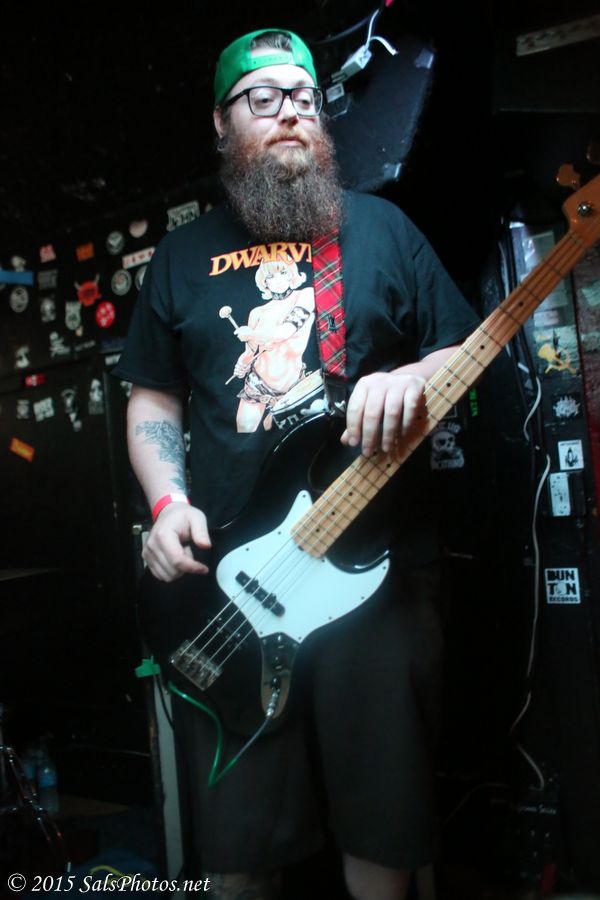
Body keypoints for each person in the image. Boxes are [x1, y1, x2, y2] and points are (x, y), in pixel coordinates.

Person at [113, 27, 481, 900]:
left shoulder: (383, 229)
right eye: (264, 98)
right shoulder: (181, 258)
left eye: (304, 98)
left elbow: (465, 353)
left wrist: (413, 379)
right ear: (222, 121)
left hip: (376, 572)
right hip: (238, 581)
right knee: (241, 845)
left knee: (384, 827)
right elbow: (153, 399)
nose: (290, 114)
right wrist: (166, 505)